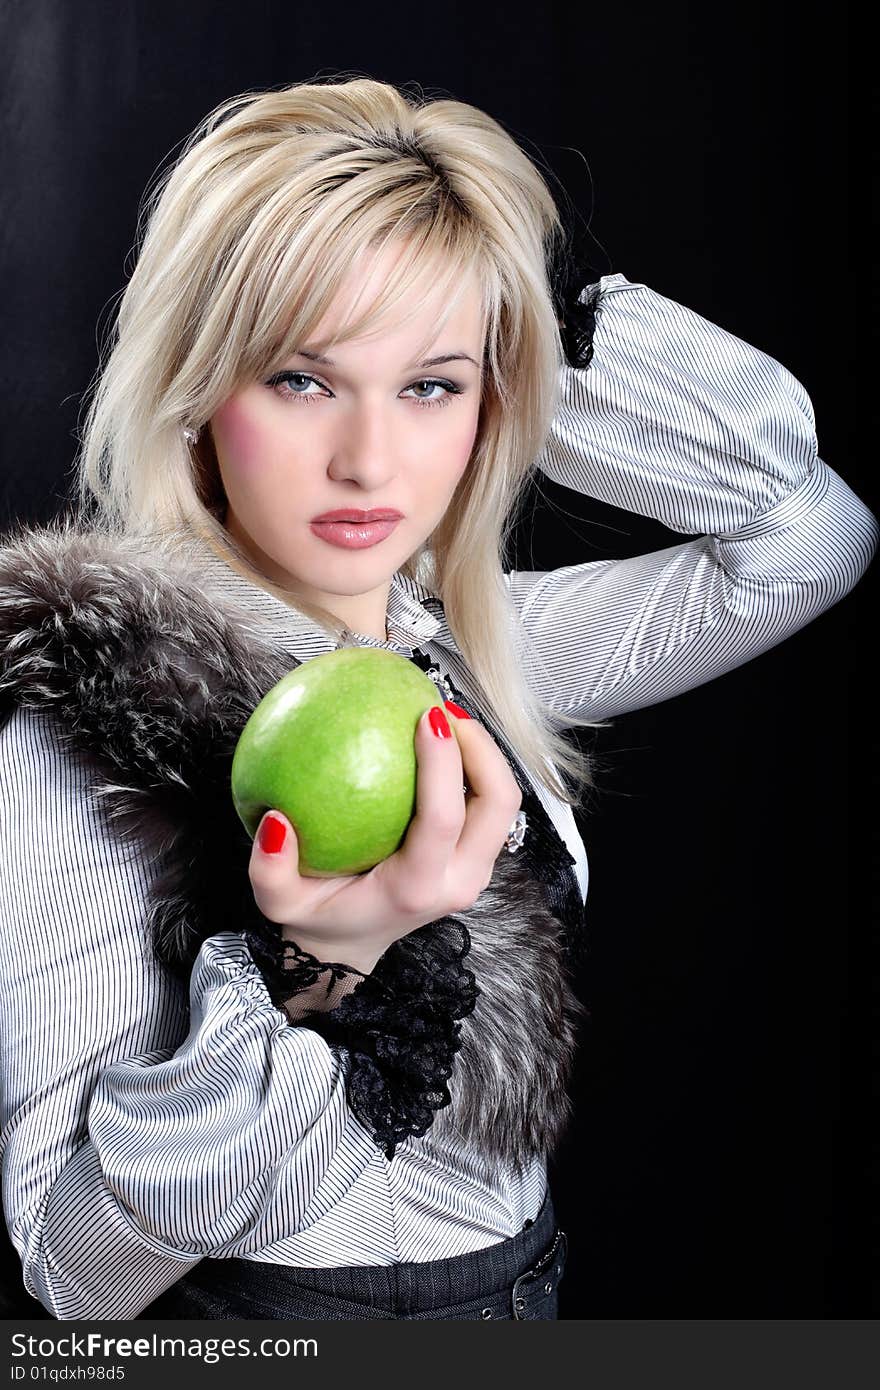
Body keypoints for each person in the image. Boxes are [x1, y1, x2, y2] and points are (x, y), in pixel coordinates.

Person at [0, 77, 875, 1323]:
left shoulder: (475, 649)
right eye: (302, 378)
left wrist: (535, 339)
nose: (369, 460)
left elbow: (808, 540)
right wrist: (325, 969)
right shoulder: (88, 703)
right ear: (199, 388)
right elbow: (76, 1274)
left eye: (430, 389)